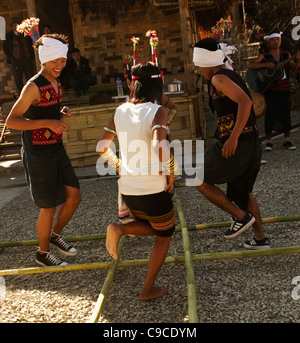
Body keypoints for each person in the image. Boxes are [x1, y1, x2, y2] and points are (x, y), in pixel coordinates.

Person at [96, 61, 179, 300]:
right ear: (157, 86)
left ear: (134, 85)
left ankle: (119, 229)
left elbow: (101, 147)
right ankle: (146, 290)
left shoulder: (119, 111)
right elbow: (158, 145)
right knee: (165, 235)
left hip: (128, 189)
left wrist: (120, 166)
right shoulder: (157, 110)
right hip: (153, 187)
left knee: (154, 226)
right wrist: (172, 170)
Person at [5, 33, 81, 266]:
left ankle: (55, 236)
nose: (59, 65)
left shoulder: (56, 83)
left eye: (63, 60)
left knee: (74, 196)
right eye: (55, 60)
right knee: (48, 205)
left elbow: (45, 113)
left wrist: (59, 114)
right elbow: (12, 121)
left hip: (56, 148)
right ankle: (42, 253)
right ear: (43, 60)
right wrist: (49, 122)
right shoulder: (32, 87)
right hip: (38, 152)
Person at [193, 38, 270, 250]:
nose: (199, 70)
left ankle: (240, 217)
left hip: (238, 143)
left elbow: (246, 102)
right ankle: (260, 238)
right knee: (242, 194)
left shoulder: (219, 78)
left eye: (199, 65)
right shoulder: (229, 74)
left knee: (198, 179)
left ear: (206, 62)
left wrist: (234, 137)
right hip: (250, 142)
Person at [248, 31, 300, 151]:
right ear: (268, 41)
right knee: (270, 116)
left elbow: (293, 68)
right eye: (273, 39)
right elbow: (251, 66)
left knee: (286, 114)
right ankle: (269, 141)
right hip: (270, 89)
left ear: (280, 40)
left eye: (278, 39)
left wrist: (298, 60)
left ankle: (286, 140)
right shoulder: (264, 56)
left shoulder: (286, 55)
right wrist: (266, 65)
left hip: (284, 89)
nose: (276, 42)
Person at [3, 17, 35, 94]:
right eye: (14, 25)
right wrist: (11, 58)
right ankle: (21, 95)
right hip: (16, 59)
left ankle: (32, 93)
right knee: (18, 78)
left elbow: (30, 45)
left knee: (30, 76)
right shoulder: (9, 36)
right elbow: (5, 48)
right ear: (12, 26)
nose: (16, 27)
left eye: (17, 25)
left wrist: (31, 56)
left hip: (27, 58)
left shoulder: (26, 34)